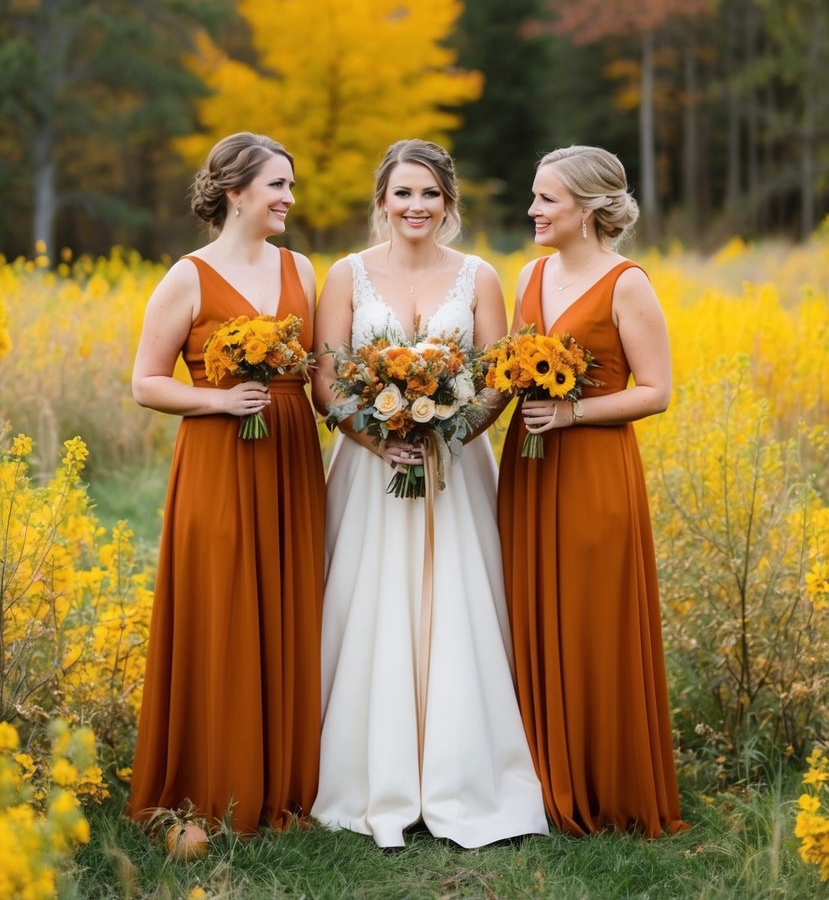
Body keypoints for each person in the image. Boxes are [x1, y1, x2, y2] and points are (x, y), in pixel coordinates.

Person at [310, 139, 547, 849]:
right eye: (403, 193)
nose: (416, 207)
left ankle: (461, 770)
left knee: (457, 604)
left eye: (430, 195)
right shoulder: (344, 275)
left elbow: (500, 375)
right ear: (381, 201)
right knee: (370, 602)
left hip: (455, 468)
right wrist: (377, 437)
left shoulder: (478, 276)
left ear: (448, 203)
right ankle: (367, 771)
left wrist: (452, 429)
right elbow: (324, 380)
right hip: (369, 468)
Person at [127, 132, 325, 835]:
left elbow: (320, 376)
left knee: (290, 607)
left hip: (292, 458)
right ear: (236, 192)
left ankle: (286, 790)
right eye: (277, 186)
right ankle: (211, 784)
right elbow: (146, 382)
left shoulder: (301, 268)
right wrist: (217, 400)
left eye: (290, 186)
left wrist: (394, 417)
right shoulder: (188, 275)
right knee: (223, 608)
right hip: (217, 459)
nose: (288, 199)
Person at [497, 144, 686, 837]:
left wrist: (573, 411)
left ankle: (605, 782)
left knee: (590, 617)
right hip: (529, 467)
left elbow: (657, 391)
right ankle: (540, 781)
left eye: (547, 198)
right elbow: (506, 375)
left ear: (590, 207)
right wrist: (435, 422)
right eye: (535, 196)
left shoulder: (626, 283)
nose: (533, 210)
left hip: (592, 471)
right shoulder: (531, 277)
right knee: (529, 611)